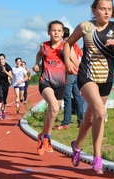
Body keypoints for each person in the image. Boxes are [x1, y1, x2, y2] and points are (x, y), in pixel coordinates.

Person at [63, 0, 114, 174]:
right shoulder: (85, 26)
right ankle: (97, 157)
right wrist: (67, 61)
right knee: (101, 113)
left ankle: (77, 145)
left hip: (106, 79)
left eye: (110, 9)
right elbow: (68, 43)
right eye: (103, 9)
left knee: (91, 117)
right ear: (94, 10)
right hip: (87, 76)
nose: (107, 12)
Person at [33, 20, 77, 156]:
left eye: (59, 31)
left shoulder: (66, 46)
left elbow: (76, 62)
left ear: (63, 33)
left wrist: (70, 61)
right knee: (55, 107)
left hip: (60, 84)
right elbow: (39, 55)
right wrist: (36, 64)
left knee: (52, 112)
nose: (56, 33)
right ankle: (47, 137)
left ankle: (41, 135)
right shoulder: (44, 46)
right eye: (53, 30)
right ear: (49, 32)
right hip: (46, 82)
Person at [55, 26, 83, 130]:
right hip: (76, 73)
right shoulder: (76, 45)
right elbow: (80, 56)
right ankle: (81, 120)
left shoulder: (63, 45)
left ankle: (66, 122)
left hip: (68, 73)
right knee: (77, 98)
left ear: (62, 34)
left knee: (67, 98)